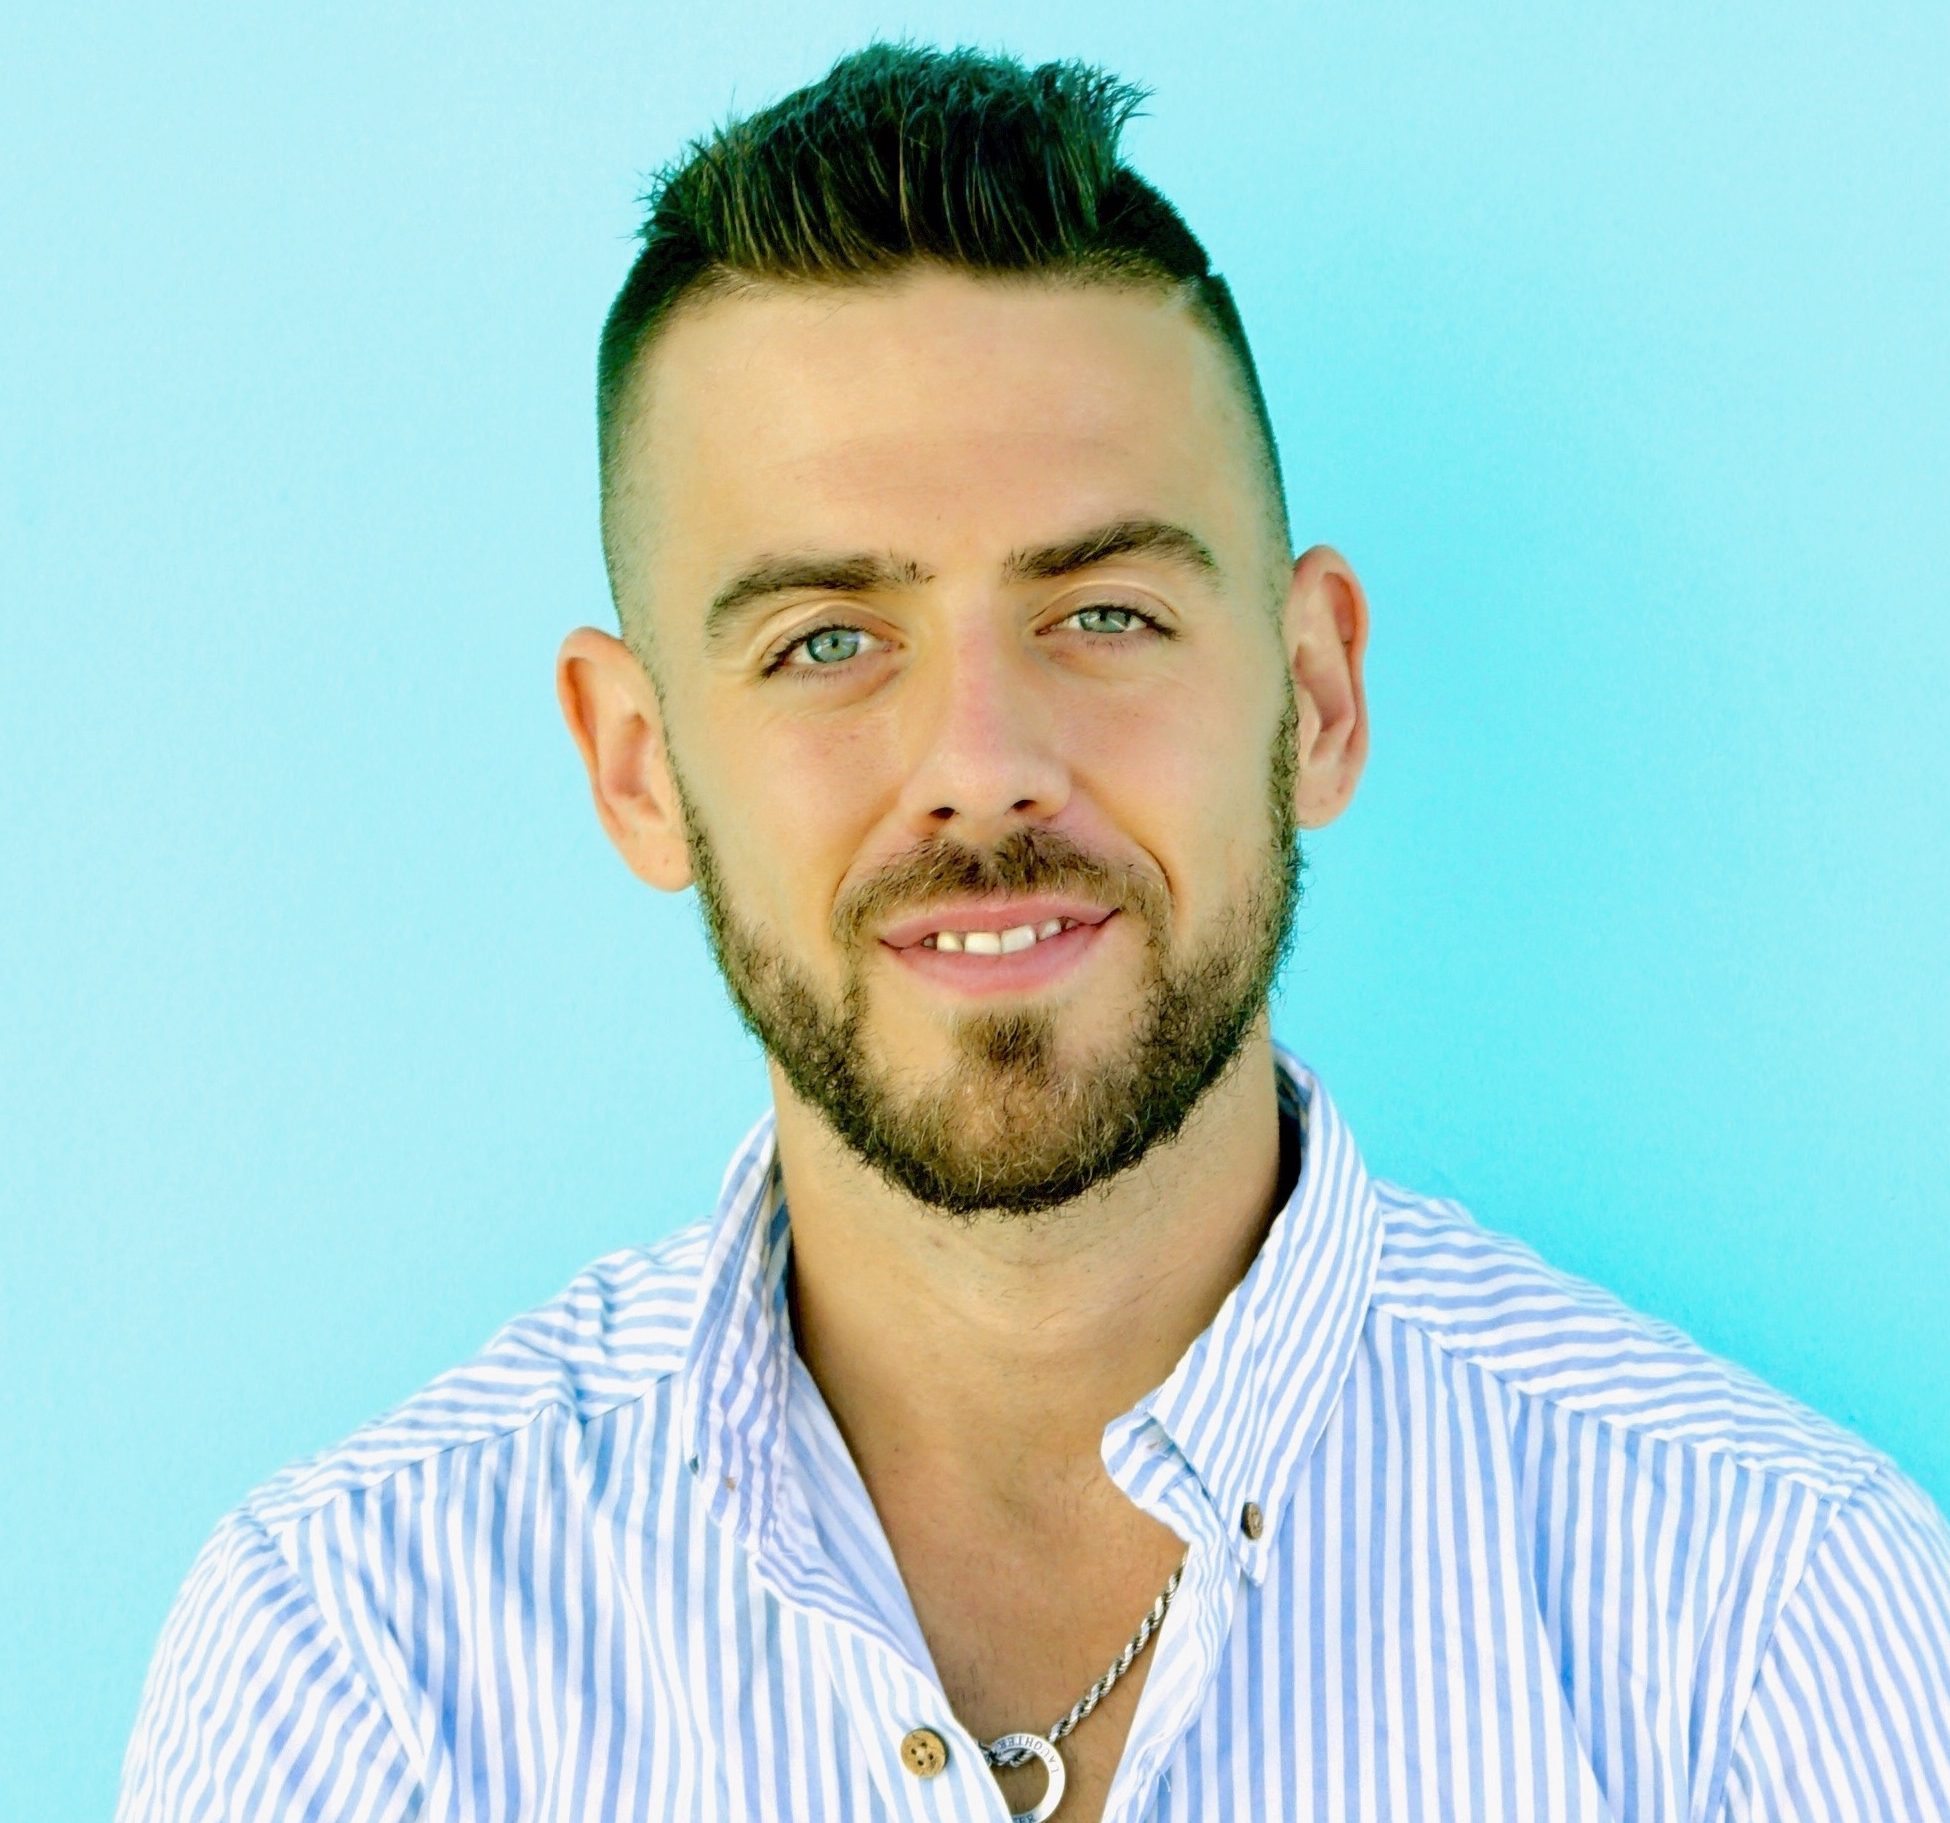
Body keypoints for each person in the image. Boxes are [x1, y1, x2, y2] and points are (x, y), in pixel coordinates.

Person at [118, 38, 1950, 1823]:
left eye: (1106, 612)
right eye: (824, 640)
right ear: (637, 766)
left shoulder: (1775, 1621)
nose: (983, 772)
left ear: (1311, 695)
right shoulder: (353, 1654)